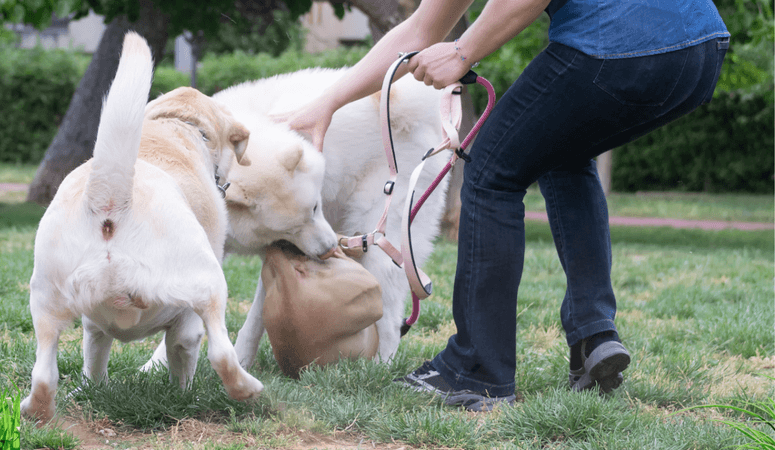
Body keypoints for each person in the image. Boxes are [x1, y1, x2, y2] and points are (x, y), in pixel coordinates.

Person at [277, 0, 730, 412]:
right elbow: (417, 29)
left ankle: (476, 370)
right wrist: (327, 105)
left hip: (616, 44)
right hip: (701, 48)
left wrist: (461, 52)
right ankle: (594, 335)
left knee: (491, 170)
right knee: (562, 155)